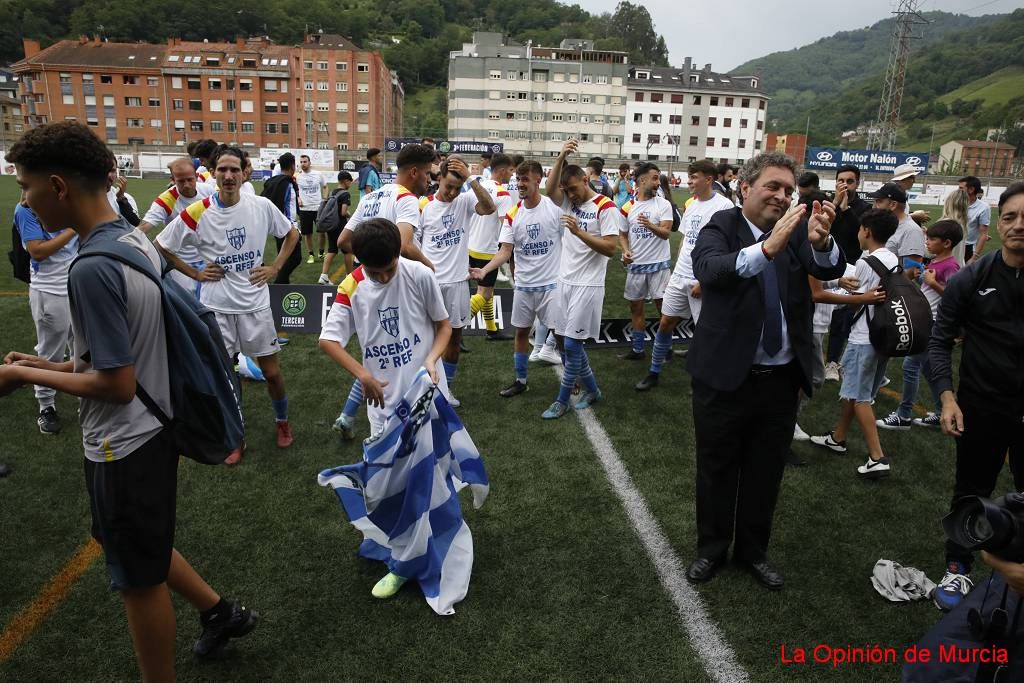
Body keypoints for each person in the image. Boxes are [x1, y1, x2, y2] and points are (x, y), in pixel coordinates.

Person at [1, 121, 258, 680]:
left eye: (27, 186)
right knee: (138, 541)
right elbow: (112, 359)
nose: (25, 199)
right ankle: (219, 611)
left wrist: (20, 382)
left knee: (137, 579)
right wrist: (40, 365)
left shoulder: (90, 267)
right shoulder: (128, 237)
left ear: (59, 186)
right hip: (154, 424)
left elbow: (115, 384)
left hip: (126, 440)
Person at [685, 151, 845, 590]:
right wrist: (765, 248)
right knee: (717, 468)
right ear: (745, 187)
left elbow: (829, 269)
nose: (782, 195)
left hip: (779, 381)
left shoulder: (796, 232)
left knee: (765, 471)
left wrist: (821, 242)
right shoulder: (722, 225)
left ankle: (753, 552)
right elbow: (711, 269)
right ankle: (712, 549)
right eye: (773, 186)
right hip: (723, 377)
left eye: (788, 190)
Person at [156, 144, 300, 464]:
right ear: (214, 172)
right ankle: (234, 435)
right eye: (222, 169)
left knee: (272, 373)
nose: (229, 175)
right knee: (223, 376)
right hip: (216, 306)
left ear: (245, 172)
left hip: (255, 305)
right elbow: (161, 245)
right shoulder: (198, 211)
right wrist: (195, 272)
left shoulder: (260, 205)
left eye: (235, 169)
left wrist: (275, 267)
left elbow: (291, 234)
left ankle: (282, 423)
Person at [928, 181, 1024, 611]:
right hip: (981, 406)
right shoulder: (974, 276)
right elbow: (939, 340)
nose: (1019, 225)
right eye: (1010, 217)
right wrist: (947, 398)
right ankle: (958, 567)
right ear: (998, 224)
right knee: (971, 489)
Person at [333, 143, 436, 439]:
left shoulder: (371, 198)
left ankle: (348, 416)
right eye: (427, 174)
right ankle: (394, 427)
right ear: (414, 172)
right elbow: (402, 247)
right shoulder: (406, 199)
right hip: (396, 285)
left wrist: (367, 259)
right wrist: (430, 266)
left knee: (378, 354)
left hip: (368, 284)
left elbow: (343, 241)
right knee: (400, 353)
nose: (428, 180)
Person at [319, 216, 451, 438]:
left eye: (390, 269)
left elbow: (444, 325)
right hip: (384, 405)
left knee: (435, 464)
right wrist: (363, 375)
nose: (384, 277)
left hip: (428, 393)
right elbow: (327, 340)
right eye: (374, 272)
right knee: (389, 471)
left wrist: (431, 359)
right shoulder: (350, 287)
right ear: (359, 260)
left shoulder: (420, 274)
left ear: (398, 252)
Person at [809, 209, 898, 477]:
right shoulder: (891, 258)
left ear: (867, 231)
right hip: (884, 336)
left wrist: (837, 290)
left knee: (860, 398)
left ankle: (877, 457)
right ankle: (838, 438)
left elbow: (858, 298)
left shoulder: (866, 262)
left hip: (864, 337)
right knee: (855, 389)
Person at [635, 160, 733, 391]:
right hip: (680, 276)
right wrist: (677, 271)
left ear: (709, 179)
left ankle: (702, 379)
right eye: (689, 177)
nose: (688, 181)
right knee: (665, 322)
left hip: (702, 278)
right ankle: (654, 373)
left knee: (704, 331)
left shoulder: (725, 206)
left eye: (694, 177)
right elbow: (686, 242)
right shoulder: (691, 205)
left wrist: (704, 280)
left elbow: (727, 249)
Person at [471, 160, 565, 399]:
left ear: (538, 180)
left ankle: (571, 378)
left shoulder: (554, 209)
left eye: (525, 179)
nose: (520, 184)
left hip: (550, 285)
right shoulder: (514, 213)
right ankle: (521, 380)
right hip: (524, 286)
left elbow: (570, 241)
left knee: (561, 337)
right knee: (521, 333)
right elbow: (505, 250)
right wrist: (485, 270)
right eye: (518, 179)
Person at [542, 139, 622, 420]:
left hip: (588, 285)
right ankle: (593, 390)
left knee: (574, 345)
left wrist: (578, 233)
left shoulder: (605, 206)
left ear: (586, 180)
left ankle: (561, 400)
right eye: (568, 191)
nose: (571, 196)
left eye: (574, 189)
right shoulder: (566, 200)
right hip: (565, 281)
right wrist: (561, 156)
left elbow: (611, 248)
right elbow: (549, 189)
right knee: (563, 341)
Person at [418, 156, 496, 404]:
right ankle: (421, 386)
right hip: (429, 283)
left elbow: (490, 207)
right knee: (423, 340)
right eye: (447, 186)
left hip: (458, 284)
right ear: (438, 179)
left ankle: (445, 390)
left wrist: (471, 178)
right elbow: (412, 246)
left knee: (454, 339)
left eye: (456, 187)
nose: (452, 192)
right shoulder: (424, 206)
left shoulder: (464, 201)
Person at [876, 219, 962, 431]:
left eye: (932, 239)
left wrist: (933, 283)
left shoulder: (951, 266)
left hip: (932, 325)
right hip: (925, 322)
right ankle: (941, 412)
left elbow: (955, 298)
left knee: (911, 367)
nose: (927, 242)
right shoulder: (934, 262)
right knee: (928, 369)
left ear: (947, 243)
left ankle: (904, 415)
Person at [13, 192, 78, 434]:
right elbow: (37, 251)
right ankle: (46, 406)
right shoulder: (27, 211)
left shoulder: (68, 203)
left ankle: (85, 395)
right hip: (50, 292)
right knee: (50, 351)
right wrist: (73, 228)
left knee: (82, 347)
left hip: (77, 287)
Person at [617, 162, 674, 361]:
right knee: (636, 308)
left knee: (664, 309)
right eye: (655, 178)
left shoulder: (663, 204)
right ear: (642, 180)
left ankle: (666, 347)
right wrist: (625, 251)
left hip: (659, 265)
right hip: (636, 266)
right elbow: (622, 234)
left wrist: (650, 225)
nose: (658, 182)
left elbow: (666, 234)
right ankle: (638, 349)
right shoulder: (627, 208)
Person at [137, 158, 217, 297]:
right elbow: (145, 226)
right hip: (182, 263)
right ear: (172, 179)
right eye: (180, 181)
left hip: (208, 258)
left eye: (190, 179)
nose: (186, 185)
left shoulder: (209, 191)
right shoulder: (167, 199)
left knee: (213, 303)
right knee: (189, 305)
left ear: (196, 176)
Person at [823, 164, 872, 382]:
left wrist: (846, 210)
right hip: (826, 265)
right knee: (822, 312)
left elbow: (860, 235)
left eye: (849, 181)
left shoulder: (864, 208)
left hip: (852, 266)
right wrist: (834, 206)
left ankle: (833, 361)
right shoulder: (828, 204)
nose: (844, 185)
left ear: (857, 183)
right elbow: (821, 230)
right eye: (840, 181)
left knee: (843, 317)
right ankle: (823, 358)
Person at [466, 153, 517, 341]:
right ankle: (454, 330)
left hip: (470, 246)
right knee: (484, 292)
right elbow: (507, 227)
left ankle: (491, 329)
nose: (512, 175)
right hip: (487, 249)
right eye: (511, 171)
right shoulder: (503, 194)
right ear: (502, 171)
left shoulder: (476, 187)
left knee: (488, 289)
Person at [868, 182, 926, 281]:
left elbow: (912, 270)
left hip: (890, 293)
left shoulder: (911, 231)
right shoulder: (883, 224)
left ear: (893, 204)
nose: (874, 206)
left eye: (879, 201)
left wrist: (884, 285)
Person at [260, 152, 301, 287]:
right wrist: (291, 225)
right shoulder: (287, 184)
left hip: (276, 226)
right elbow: (285, 205)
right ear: (292, 167)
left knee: (283, 255)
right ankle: (280, 282)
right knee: (295, 258)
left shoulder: (272, 182)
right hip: (287, 227)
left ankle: (283, 283)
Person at [318, 171, 353, 286]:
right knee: (348, 250)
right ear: (345, 181)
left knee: (332, 249)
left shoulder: (333, 191)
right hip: (340, 225)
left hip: (330, 224)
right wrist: (350, 215)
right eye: (350, 181)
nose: (351, 184)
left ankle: (323, 276)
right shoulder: (345, 194)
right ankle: (349, 277)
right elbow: (343, 212)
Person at [295, 154, 328, 264]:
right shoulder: (297, 176)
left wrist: (325, 198)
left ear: (310, 163)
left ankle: (321, 252)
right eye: (301, 162)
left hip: (318, 207)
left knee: (322, 232)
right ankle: (311, 255)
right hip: (304, 209)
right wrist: (298, 198)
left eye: (305, 161)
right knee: (307, 233)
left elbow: (325, 186)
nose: (303, 164)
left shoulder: (318, 174)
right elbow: (295, 190)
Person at [958, 175, 990, 262]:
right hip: (952, 244)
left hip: (967, 248)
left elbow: (983, 234)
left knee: (964, 274)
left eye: (961, 188)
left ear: (971, 190)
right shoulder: (955, 202)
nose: (958, 191)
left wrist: (974, 257)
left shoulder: (983, 208)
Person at [941, 188, 970, 265]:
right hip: (958, 266)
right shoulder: (963, 223)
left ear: (949, 202)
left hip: (945, 269)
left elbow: (930, 252)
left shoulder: (945, 223)